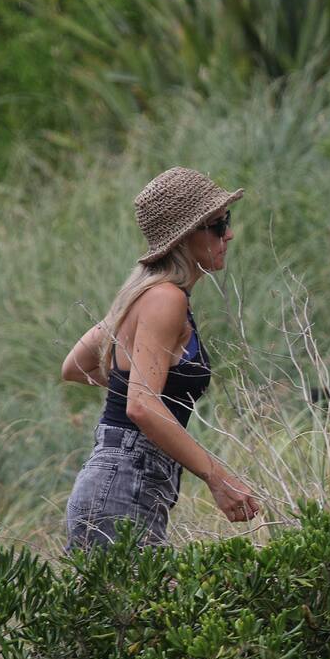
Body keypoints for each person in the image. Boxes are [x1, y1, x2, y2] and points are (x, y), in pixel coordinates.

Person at [61, 167, 260, 550]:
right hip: (124, 484)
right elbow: (141, 406)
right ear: (186, 238)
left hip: (120, 480)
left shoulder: (142, 296)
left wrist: (142, 389)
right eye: (218, 225)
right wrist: (217, 478)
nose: (228, 235)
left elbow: (75, 365)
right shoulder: (164, 299)